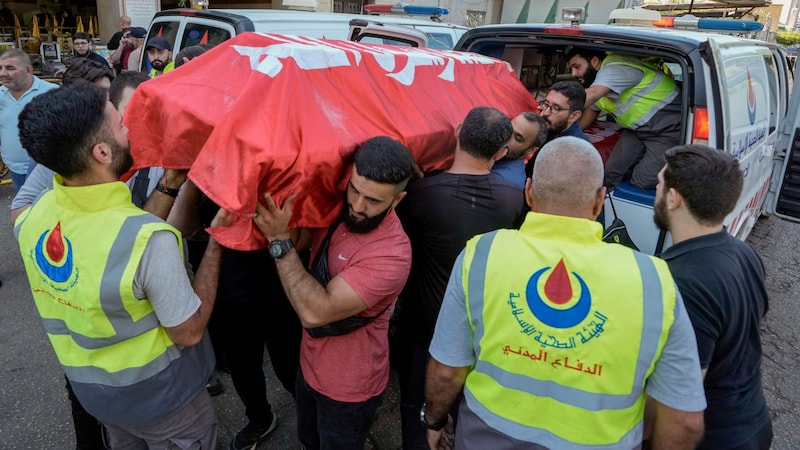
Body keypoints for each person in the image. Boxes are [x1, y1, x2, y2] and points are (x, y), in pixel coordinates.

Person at [422, 136, 706, 449]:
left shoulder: (482, 254)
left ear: (529, 192)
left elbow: (447, 372)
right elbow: (685, 421)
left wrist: (434, 420)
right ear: (599, 201)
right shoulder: (654, 278)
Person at [14, 82, 226, 448]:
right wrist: (218, 244)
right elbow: (189, 331)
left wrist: (173, 182)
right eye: (120, 126)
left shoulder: (30, 218)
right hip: (166, 403)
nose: (130, 131)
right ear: (102, 152)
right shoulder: (148, 240)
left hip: (98, 397)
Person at [253, 136, 415, 450]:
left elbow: (316, 312)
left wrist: (278, 239)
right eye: (354, 190)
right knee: (307, 440)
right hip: (310, 367)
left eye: (373, 201)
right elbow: (302, 246)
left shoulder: (391, 255)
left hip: (350, 391)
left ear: (397, 200)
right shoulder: (336, 207)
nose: (357, 206)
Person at [393, 106, 526, 449]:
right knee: (472, 407)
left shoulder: (420, 196)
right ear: (500, 153)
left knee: (417, 411)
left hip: (424, 324)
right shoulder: (514, 199)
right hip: (485, 326)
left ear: (456, 134)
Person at [656, 145, 773, 450]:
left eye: (659, 184)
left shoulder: (681, 281)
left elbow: (684, 413)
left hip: (713, 438)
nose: (656, 191)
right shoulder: (743, 252)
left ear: (673, 197)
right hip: (753, 421)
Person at [567, 48, 682, 190]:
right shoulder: (600, 80)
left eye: (577, 67)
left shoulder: (615, 69)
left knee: (642, 181)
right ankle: (608, 206)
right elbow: (592, 109)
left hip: (666, 131)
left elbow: (592, 95)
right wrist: (570, 132)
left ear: (595, 61)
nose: (574, 74)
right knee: (611, 173)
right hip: (637, 130)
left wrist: (556, 108)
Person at [0, 49, 58, 191]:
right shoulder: (0, 95)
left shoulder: (52, 92)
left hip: (46, 169)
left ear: (28, 69)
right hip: (14, 167)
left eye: (10, 68)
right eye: (0, 68)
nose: (2, 73)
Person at [490, 111, 547, 191]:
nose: (507, 136)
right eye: (509, 128)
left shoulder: (503, 182)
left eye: (518, 138)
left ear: (531, 150)